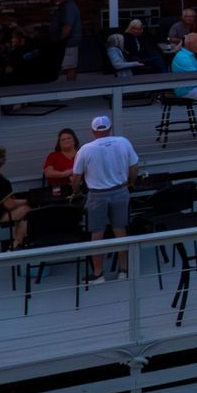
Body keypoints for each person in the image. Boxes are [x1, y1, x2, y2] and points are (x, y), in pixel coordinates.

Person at [72, 114, 140, 282]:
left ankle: (98, 273)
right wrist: (131, 182)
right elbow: (134, 166)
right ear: (110, 129)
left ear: (93, 131)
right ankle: (124, 270)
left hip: (97, 195)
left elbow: (76, 177)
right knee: (120, 229)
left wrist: (76, 191)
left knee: (97, 233)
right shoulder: (123, 142)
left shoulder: (86, 149)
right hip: (120, 190)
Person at [50, 0, 83, 81]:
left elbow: (67, 26)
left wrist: (61, 41)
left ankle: (70, 88)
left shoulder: (68, 7)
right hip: (65, 41)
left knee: (69, 65)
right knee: (66, 64)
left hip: (69, 42)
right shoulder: (62, 7)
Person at [43, 128, 81, 194]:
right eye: (62, 140)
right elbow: (48, 173)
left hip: (80, 189)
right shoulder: (53, 155)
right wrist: (64, 174)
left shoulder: (82, 154)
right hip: (58, 191)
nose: (66, 141)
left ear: (74, 140)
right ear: (59, 143)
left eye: (69, 138)